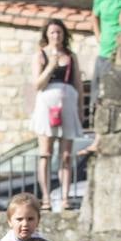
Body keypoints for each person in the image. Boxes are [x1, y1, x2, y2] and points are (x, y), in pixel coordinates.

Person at [32, 18, 83, 210]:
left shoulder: (71, 56)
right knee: (45, 153)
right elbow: (37, 84)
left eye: (59, 32)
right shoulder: (41, 56)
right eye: (52, 32)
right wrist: (51, 65)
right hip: (47, 105)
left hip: (67, 104)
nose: (56, 36)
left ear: (64, 35)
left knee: (66, 155)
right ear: (47, 34)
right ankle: (45, 198)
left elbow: (78, 83)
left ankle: (64, 198)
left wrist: (80, 109)